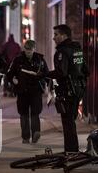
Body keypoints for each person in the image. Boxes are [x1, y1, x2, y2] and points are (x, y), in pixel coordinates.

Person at [47, 24, 89, 153]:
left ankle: (70, 152)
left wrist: (44, 74)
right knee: (71, 121)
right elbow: (86, 70)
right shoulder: (77, 50)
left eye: (56, 35)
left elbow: (61, 73)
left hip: (67, 91)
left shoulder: (62, 52)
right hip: (78, 90)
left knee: (67, 123)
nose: (54, 38)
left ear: (64, 36)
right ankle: (73, 150)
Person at [7, 39, 49, 144]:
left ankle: (36, 133)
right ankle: (25, 137)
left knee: (35, 113)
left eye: (30, 50)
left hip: (36, 91)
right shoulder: (18, 60)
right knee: (24, 114)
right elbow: (9, 74)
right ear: (24, 49)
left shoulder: (40, 60)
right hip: (22, 91)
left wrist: (47, 84)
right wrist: (13, 80)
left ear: (34, 49)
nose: (28, 52)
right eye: (26, 50)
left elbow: (46, 74)